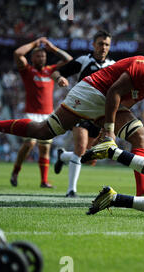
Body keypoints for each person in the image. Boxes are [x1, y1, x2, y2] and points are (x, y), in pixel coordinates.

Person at [0, 55, 144, 199]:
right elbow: (114, 91)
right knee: (44, 131)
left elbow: (125, 103)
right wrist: (109, 131)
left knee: (141, 138)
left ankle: (143, 190)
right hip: (90, 92)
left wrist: (103, 127)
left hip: (106, 102)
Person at [51, 30, 116, 198]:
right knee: (80, 149)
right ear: (93, 44)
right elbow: (57, 72)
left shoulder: (113, 65)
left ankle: (63, 156)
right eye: (100, 43)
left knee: (89, 158)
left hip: (99, 117)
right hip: (80, 110)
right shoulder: (83, 60)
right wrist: (60, 79)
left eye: (107, 44)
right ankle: (71, 190)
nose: (103, 47)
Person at [10, 37, 72, 188]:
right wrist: (34, 44)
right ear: (32, 57)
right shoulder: (27, 70)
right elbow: (18, 53)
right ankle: (16, 171)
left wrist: (53, 48)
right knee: (29, 144)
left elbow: (70, 61)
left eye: (43, 56)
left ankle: (44, 181)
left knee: (45, 149)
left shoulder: (50, 71)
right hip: (30, 114)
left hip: (47, 114)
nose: (41, 58)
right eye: (38, 55)